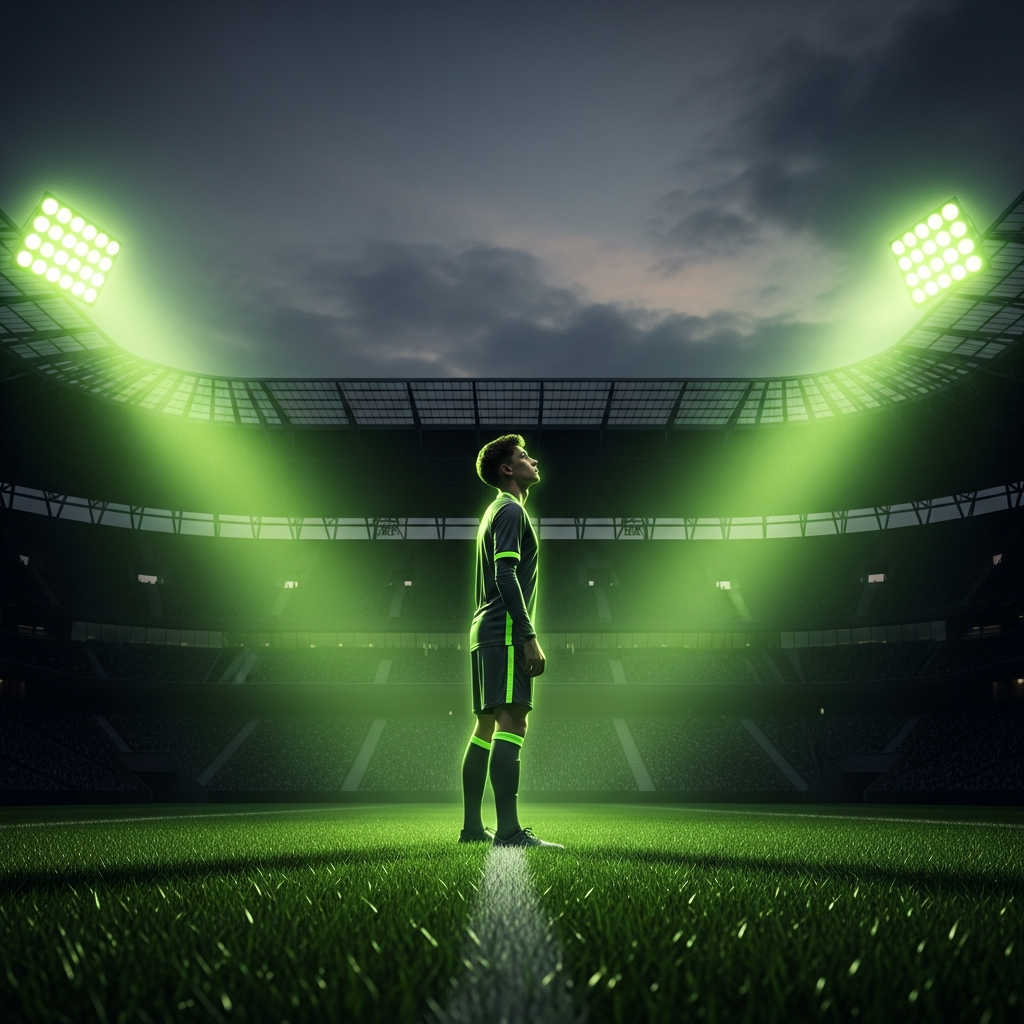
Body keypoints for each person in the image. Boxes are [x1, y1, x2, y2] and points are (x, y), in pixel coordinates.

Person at [458, 434, 563, 848]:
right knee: (512, 721)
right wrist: (528, 635)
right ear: (507, 469)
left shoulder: (493, 511)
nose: (532, 460)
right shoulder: (510, 511)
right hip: (503, 630)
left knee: (485, 725)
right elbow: (506, 576)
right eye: (523, 456)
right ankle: (509, 831)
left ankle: (471, 829)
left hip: (483, 628)